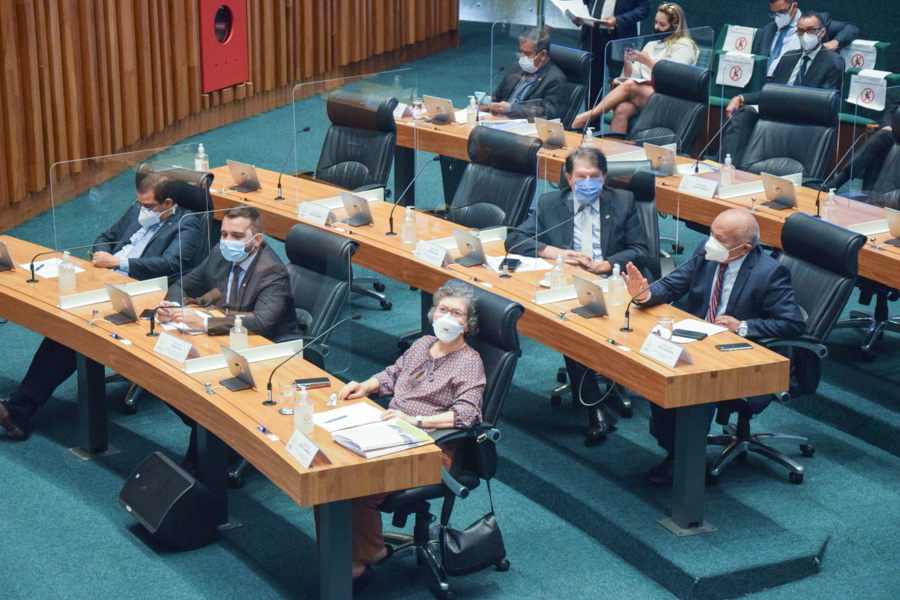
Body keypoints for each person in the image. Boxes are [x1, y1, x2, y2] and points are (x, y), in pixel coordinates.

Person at [0, 173, 204, 441]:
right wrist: (101, 254)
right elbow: (105, 236)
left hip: (140, 294)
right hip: (105, 281)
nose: (141, 210)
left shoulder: (187, 224)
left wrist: (118, 263)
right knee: (63, 328)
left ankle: (21, 406)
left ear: (167, 203)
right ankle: (20, 403)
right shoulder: (137, 210)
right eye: (140, 203)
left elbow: (171, 263)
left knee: (75, 333)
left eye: (148, 206)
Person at [622, 208, 805, 485]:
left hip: (743, 354)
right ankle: (674, 446)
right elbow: (672, 286)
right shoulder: (706, 252)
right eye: (711, 233)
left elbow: (793, 324)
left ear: (744, 249)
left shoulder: (769, 273)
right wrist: (645, 294)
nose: (711, 242)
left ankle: (683, 458)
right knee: (658, 366)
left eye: (721, 239)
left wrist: (743, 326)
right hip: (699, 339)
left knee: (693, 384)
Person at [327, 280, 486, 591]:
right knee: (331, 474)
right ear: (432, 314)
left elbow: (467, 415)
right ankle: (347, 560)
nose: (447, 317)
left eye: (457, 313)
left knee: (354, 481)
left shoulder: (470, 362)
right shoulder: (423, 344)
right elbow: (393, 375)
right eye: (443, 309)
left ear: (468, 324)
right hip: (392, 432)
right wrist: (365, 385)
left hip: (430, 448)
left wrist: (415, 420)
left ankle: (367, 555)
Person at [505, 147, 649, 446]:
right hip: (568, 283)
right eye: (580, 177)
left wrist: (606, 264)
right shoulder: (549, 203)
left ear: (604, 177)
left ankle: (596, 409)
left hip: (611, 282)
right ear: (569, 179)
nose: (588, 183)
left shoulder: (623, 201)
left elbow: (640, 250)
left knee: (573, 326)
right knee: (569, 326)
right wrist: (556, 252)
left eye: (594, 176)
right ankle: (596, 408)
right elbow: (515, 239)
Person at [157, 206, 298, 469]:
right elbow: (183, 284)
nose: (227, 241)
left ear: (256, 240)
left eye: (237, 236)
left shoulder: (271, 271)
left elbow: (261, 322)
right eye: (224, 234)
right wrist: (172, 307)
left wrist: (205, 321)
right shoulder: (220, 253)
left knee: (201, 389)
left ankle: (211, 453)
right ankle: (212, 438)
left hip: (267, 351)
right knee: (167, 376)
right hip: (227, 340)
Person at [723, 12, 844, 166]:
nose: (805, 35)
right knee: (744, 113)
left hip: (805, 117)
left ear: (822, 32)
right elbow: (770, 92)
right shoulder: (789, 57)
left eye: (811, 30)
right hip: (776, 112)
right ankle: (729, 166)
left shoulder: (833, 61)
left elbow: (826, 102)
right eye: (801, 31)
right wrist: (741, 98)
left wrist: (789, 104)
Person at [571, 3, 699, 133]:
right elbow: (631, 78)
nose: (656, 27)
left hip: (669, 98)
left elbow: (675, 78)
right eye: (655, 22)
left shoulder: (684, 46)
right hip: (645, 95)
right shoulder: (651, 44)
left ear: (675, 27)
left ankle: (589, 116)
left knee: (631, 86)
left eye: (662, 25)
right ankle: (615, 145)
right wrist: (628, 62)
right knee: (622, 109)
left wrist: (648, 62)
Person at [572, 0, 651, 106]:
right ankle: (591, 116)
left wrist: (618, 20)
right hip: (592, 35)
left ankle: (618, 115)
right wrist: (579, 16)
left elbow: (644, 9)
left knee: (619, 81)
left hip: (618, 37)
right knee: (591, 82)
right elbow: (585, 3)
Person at [752, 0, 858, 77]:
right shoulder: (767, 30)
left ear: (794, 6)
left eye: (782, 12)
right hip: (764, 84)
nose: (777, 17)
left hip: (797, 83)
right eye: (774, 13)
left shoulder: (815, 22)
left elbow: (851, 29)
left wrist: (834, 42)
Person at [487, 26, 569, 121]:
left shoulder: (555, 79)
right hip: (499, 119)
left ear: (543, 55)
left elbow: (548, 113)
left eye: (528, 54)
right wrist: (489, 100)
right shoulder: (516, 67)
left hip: (525, 125)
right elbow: (498, 95)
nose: (522, 57)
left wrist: (511, 109)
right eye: (521, 52)